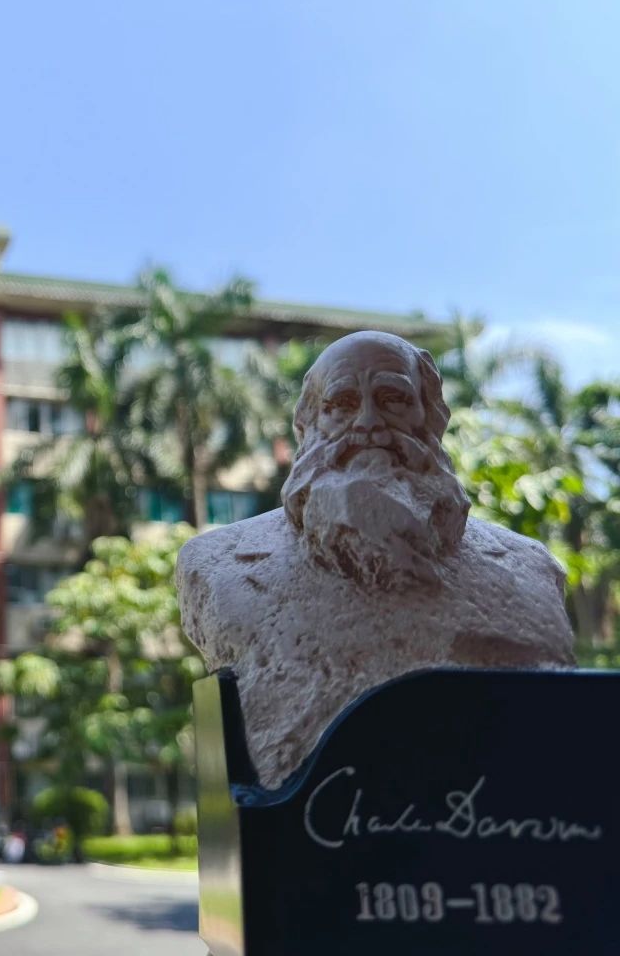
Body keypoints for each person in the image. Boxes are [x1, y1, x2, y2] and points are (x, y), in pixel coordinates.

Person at [178, 331, 573, 788]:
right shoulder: (217, 566)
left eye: (393, 400)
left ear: (431, 416)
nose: (368, 424)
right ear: (308, 425)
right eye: (342, 405)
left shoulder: (531, 569)